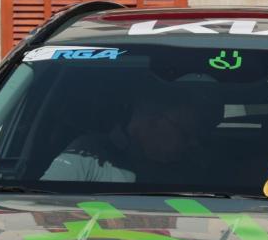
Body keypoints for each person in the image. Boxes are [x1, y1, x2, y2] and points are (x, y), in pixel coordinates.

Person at [44, 79, 218, 185]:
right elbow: (44, 209)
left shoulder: (191, 168)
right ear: (153, 122)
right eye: (186, 133)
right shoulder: (88, 156)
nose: (193, 143)